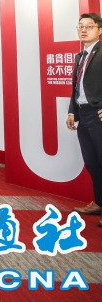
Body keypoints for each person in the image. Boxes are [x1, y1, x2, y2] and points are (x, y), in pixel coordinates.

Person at [66, 13, 102, 223]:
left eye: (89, 26)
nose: (84, 30)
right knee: (92, 162)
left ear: (99, 30)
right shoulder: (80, 56)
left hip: (98, 115)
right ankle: (99, 202)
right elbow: (76, 87)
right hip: (84, 114)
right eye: (80, 26)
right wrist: (72, 112)